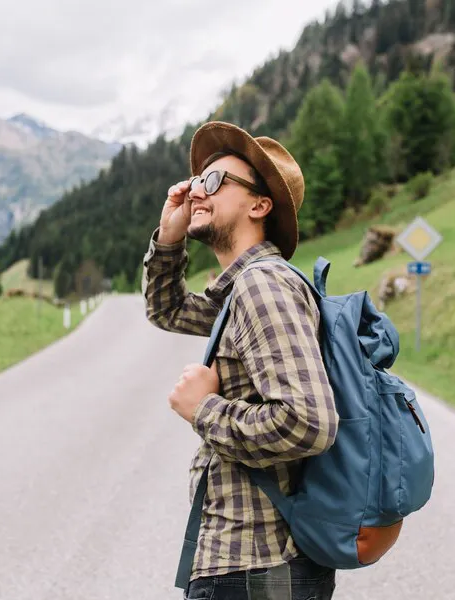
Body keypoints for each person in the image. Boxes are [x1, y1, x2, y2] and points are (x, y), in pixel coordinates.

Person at [141, 121, 339, 600]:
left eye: (214, 182)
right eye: (195, 182)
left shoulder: (262, 286)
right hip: (256, 568)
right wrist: (169, 238)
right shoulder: (242, 291)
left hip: (255, 570)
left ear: (259, 205)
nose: (196, 194)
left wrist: (202, 409)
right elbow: (167, 309)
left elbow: (309, 422)